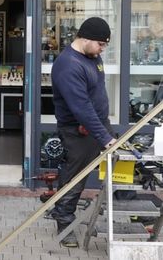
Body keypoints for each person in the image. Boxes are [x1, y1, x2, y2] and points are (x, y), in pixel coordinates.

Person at [49, 17, 117, 248]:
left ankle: (130, 209)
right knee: (75, 177)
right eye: (100, 44)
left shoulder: (93, 57)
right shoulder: (68, 65)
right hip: (77, 130)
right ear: (85, 39)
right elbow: (81, 106)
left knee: (119, 164)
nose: (102, 49)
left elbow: (96, 92)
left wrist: (102, 128)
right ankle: (64, 223)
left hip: (97, 124)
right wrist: (104, 137)